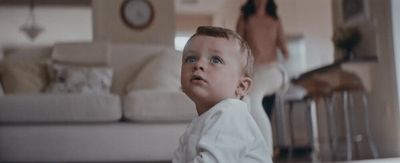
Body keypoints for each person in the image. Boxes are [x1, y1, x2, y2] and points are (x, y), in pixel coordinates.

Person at [172, 26, 272, 163]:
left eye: (215, 60)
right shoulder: (197, 124)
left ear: (241, 86)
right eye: (191, 59)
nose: (198, 64)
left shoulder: (230, 114)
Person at [236, 0, 290, 157]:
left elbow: (285, 49)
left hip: (272, 71)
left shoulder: (275, 20)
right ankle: (257, 152)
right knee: (254, 106)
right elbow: (237, 46)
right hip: (253, 72)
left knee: (252, 99)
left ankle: (266, 155)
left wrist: (284, 54)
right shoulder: (245, 19)